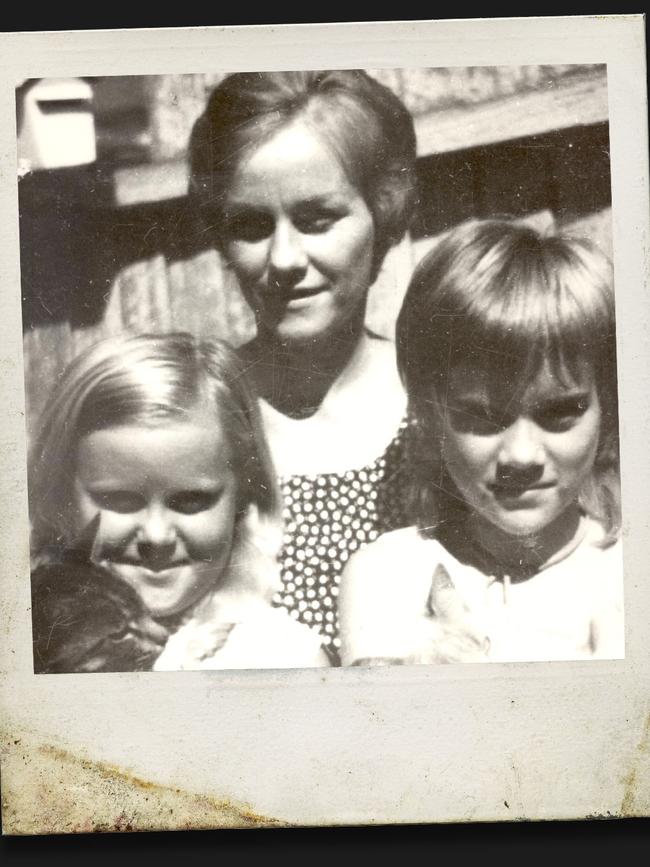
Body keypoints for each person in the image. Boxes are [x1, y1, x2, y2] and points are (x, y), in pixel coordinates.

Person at [189, 70, 419, 662]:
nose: (285, 259)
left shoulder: (442, 407)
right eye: (251, 225)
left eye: (318, 219)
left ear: (385, 215)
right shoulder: (198, 414)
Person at [338, 219, 624, 665]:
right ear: (431, 416)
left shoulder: (626, 574)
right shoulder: (390, 577)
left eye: (559, 414)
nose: (522, 455)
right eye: (484, 418)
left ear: (608, 409)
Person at [28, 333, 329, 672]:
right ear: (58, 495)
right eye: (120, 500)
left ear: (244, 498)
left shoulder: (277, 657)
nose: (157, 536)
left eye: (191, 500)